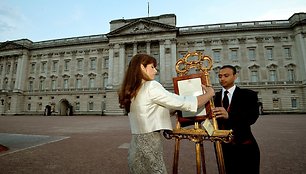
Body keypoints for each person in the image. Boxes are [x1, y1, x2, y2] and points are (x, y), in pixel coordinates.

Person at [118, 53, 215, 174]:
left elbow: (150, 112)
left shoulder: (133, 90)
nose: (156, 71)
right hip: (150, 145)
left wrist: (173, 109)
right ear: (142, 67)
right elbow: (185, 102)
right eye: (152, 67)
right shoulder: (151, 85)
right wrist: (209, 94)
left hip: (135, 146)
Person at [213, 65, 260, 174]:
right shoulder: (215, 97)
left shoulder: (248, 95)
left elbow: (252, 117)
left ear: (235, 76)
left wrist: (229, 115)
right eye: (220, 76)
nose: (222, 79)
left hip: (244, 147)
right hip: (223, 148)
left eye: (226, 75)